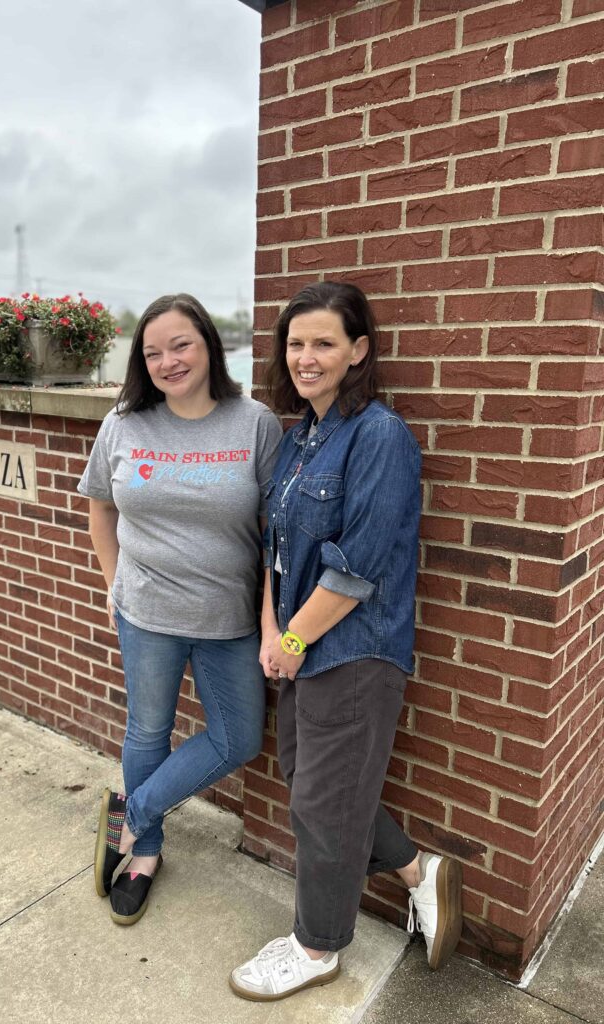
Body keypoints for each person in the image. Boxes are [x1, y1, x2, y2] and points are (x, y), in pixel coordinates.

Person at [230, 281, 462, 1001]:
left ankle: (318, 945)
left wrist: (293, 641)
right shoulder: (299, 438)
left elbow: (357, 566)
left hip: (356, 649)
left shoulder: (381, 437)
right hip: (301, 642)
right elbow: (273, 549)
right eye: (296, 343)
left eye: (324, 342)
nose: (307, 357)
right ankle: (418, 871)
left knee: (325, 804)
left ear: (359, 350)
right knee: (311, 786)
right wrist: (273, 630)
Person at [78, 293, 282, 926]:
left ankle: (130, 814)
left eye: (181, 345)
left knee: (241, 738)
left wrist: (274, 621)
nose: (169, 361)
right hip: (146, 614)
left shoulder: (254, 422)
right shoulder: (124, 422)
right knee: (147, 730)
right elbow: (100, 506)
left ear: (209, 346)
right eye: (153, 351)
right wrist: (115, 584)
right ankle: (146, 855)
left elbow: (279, 534)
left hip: (228, 621)